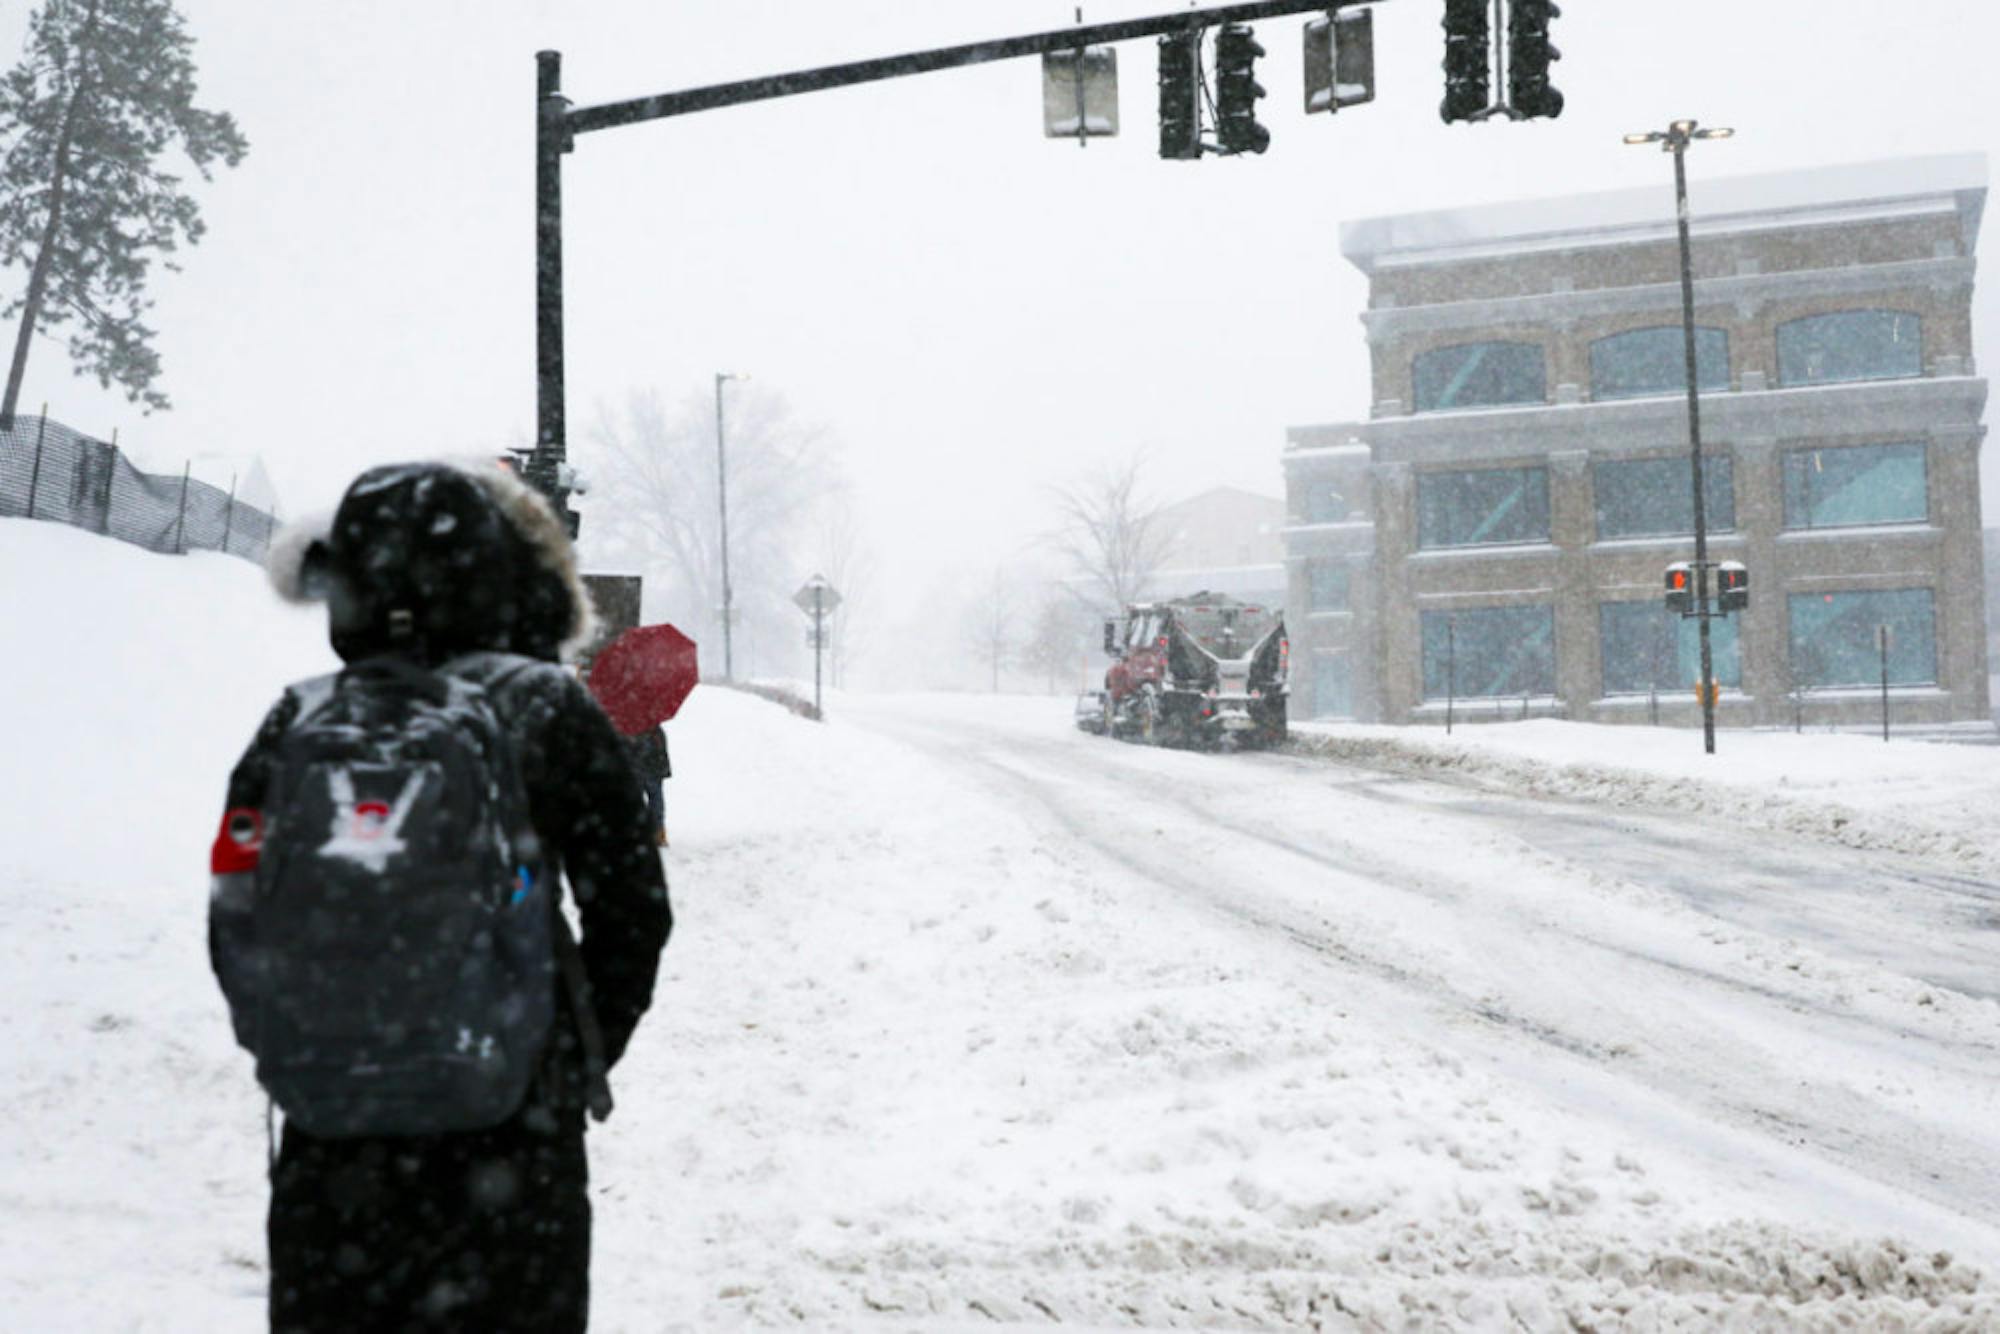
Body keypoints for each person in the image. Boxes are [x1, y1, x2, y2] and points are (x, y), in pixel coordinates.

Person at [210, 460, 671, 1332]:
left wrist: (300, 1044)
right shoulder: (548, 708)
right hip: (512, 1143)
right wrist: (561, 1061)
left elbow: (236, 909)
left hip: (333, 1142)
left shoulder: (301, 720)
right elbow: (634, 912)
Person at [624, 723, 671, 846]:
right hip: (654, 771)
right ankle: (657, 833)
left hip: (637, 772)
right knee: (656, 802)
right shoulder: (656, 730)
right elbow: (662, 753)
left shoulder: (628, 730)